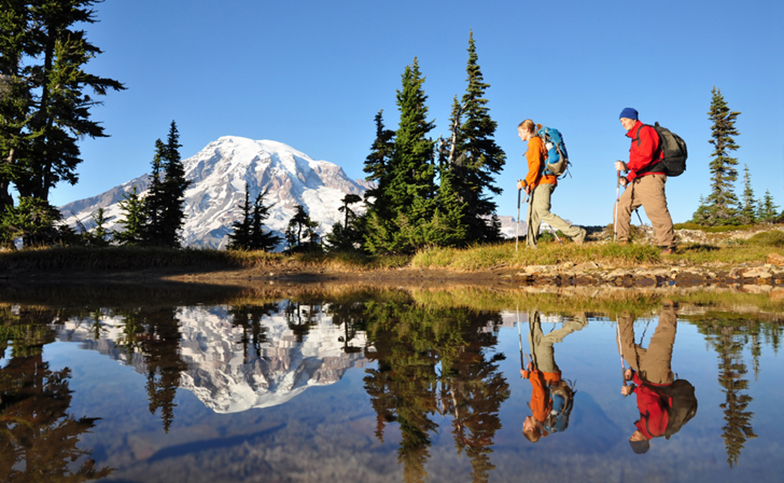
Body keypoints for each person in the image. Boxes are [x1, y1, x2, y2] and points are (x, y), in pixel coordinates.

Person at [617, 303, 678, 454]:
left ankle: (625, 308)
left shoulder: (644, 425)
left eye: (631, 438)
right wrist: (633, 389)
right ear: (644, 441)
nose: (632, 436)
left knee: (625, 349)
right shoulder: (655, 428)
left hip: (647, 377)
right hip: (658, 378)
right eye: (634, 439)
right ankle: (669, 306)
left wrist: (634, 377)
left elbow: (647, 393)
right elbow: (653, 397)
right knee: (662, 340)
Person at [614, 108, 675, 254]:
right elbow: (639, 162)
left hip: (651, 177)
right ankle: (622, 242)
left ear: (634, 119)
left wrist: (626, 166)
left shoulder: (645, 131)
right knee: (621, 206)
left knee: (656, 210)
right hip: (639, 178)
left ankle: (668, 246)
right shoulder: (635, 136)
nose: (623, 123)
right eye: (621, 121)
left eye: (625, 120)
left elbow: (646, 157)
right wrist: (627, 178)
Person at [517, 120, 586, 248]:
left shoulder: (534, 142)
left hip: (544, 181)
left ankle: (577, 233)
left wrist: (525, 182)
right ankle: (531, 246)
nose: (518, 135)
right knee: (532, 215)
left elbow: (536, 165)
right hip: (540, 181)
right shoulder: (535, 142)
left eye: (519, 132)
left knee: (542, 212)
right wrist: (530, 184)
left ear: (526, 130)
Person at [521, 311, 585, 442]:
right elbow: (539, 390)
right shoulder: (538, 414)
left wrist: (533, 370)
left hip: (542, 372)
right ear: (532, 428)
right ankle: (578, 323)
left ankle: (534, 309)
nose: (523, 423)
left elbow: (541, 388)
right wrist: (528, 375)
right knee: (545, 343)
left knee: (533, 340)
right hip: (548, 374)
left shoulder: (539, 415)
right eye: (525, 427)